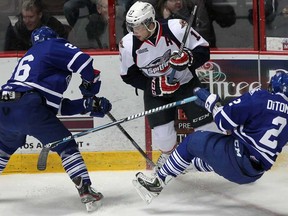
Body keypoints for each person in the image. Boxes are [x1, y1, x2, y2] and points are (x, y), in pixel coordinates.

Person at [0, 26, 112, 212]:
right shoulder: (51, 45)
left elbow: (48, 107)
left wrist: (86, 105)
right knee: (66, 145)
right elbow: (85, 62)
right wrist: (89, 84)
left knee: (3, 149)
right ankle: (86, 191)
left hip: (5, 107)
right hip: (28, 106)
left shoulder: (33, 61)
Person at [132, 70, 288, 204]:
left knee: (192, 142)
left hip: (236, 157)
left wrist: (211, 102)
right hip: (252, 174)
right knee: (208, 157)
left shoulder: (261, 97)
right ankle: (177, 167)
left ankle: (157, 181)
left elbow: (224, 122)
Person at [119, 1, 217, 171]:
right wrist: (152, 85)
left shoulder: (176, 28)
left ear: (150, 23)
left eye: (138, 27)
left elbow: (203, 50)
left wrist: (189, 59)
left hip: (186, 84)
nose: (134, 32)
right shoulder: (128, 44)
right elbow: (128, 75)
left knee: (210, 128)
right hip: (156, 92)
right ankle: (172, 160)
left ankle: (220, 156)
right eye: (131, 27)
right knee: (163, 138)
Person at [154, 0, 236, 48]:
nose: (178, 1)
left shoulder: (196, 6)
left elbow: (228, 20)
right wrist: (166, 22)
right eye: (172, 0)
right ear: (163, 3)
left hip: (202, 52)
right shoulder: (156, 15)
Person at [4, 0, 69, 51]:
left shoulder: (53, 26)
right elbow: (10, 51)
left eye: (31, 17)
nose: (27, 21)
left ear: (40, 15)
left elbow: (63, 46)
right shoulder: (17, 30)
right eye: (24, 17)